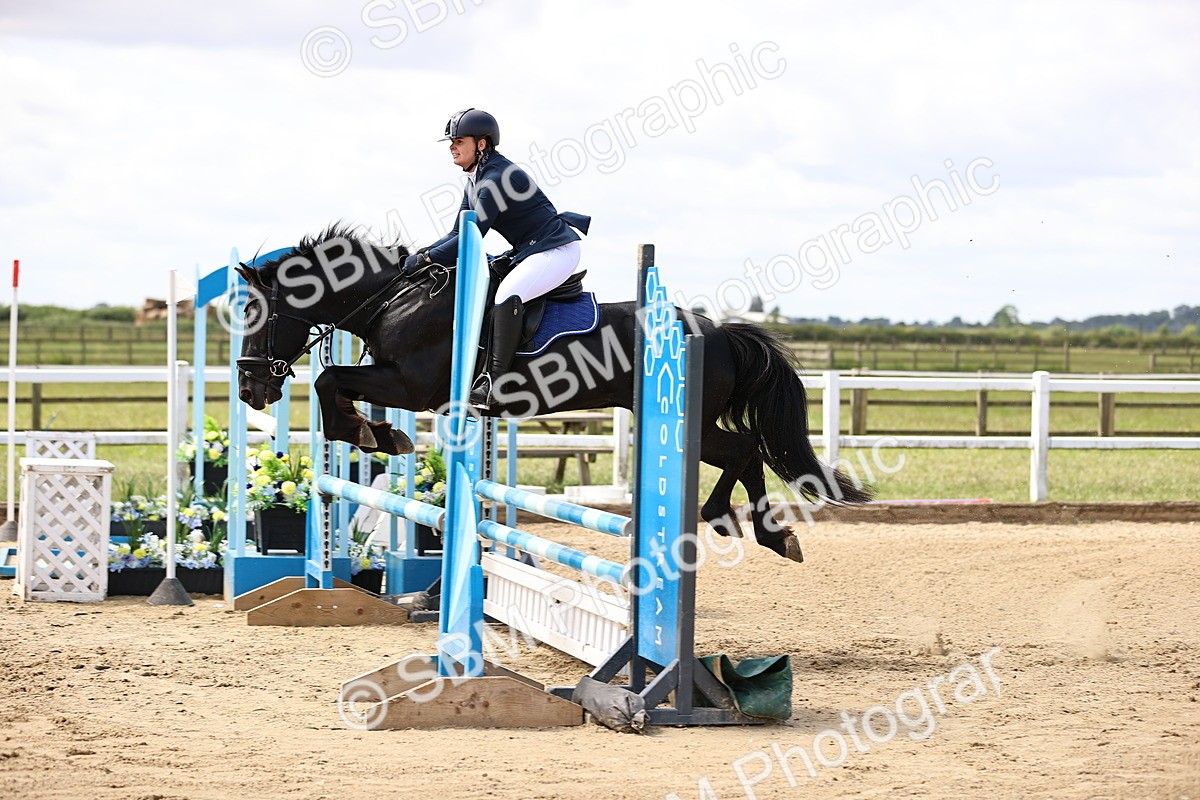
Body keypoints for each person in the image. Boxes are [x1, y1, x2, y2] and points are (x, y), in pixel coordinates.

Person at [402, 108, 590, 409]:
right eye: (451, 141)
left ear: (482, 144)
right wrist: (423, 254)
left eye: (459, 141)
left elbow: (472, 236)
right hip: (531, 250)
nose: (452, 147)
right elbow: (456, 232)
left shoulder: (496, 179)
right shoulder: (475, 180)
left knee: (507, 293)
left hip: (555, 251)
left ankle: (495, 382)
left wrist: (424, 261)